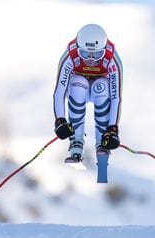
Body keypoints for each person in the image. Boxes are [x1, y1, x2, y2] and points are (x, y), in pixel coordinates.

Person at [53, 23, 123, 163]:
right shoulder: (70, 56)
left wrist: (113, 128)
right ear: (78, 48)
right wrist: (60, 121)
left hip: (100, 90)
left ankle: (103, 141)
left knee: (102, 85)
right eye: (85, 53)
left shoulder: (112, 59)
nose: (91, 59)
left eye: (97, 54)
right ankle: (76, 141)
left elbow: (116, 98)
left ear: (104, 49)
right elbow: (59, 92)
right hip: (79, 89)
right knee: (78, 82)